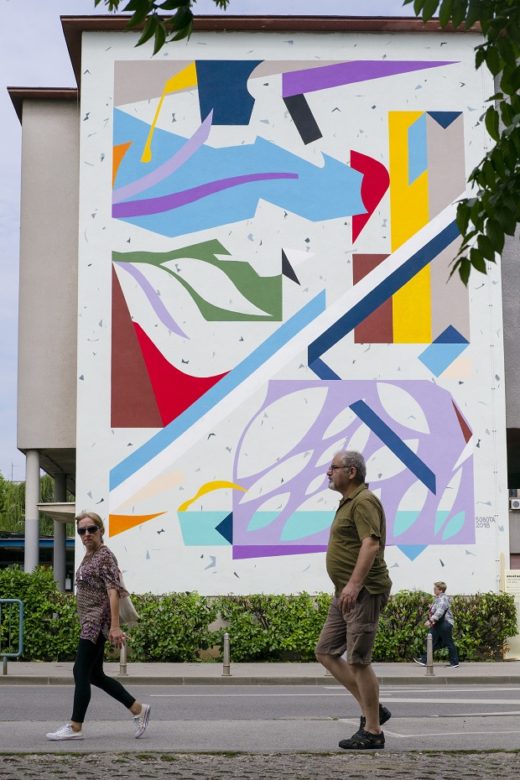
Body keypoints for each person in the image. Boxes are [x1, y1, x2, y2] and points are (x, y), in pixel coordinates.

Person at [46, 511, 151, 741]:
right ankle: (138, 709)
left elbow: (113, 591)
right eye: (81, 530)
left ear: (101, 530)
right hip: (88, 620)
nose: (86, 534)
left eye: (91, 529)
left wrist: (115, 626)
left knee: (80, 671)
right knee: (95, 675)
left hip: (96, 622)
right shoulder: (89, 556)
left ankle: (75, 727)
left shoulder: (104, 556)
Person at [316, 450, 392, 750]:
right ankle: (373, 708)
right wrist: (345, 587)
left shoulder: (364, 501)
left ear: (351, 472)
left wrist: (354, 584)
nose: (328, 472)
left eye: (333, 467)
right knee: (325, 651)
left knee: (359, 660)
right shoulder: (349, 502)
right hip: (345, 593)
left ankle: (373, 731)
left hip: (363, 591)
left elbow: (370, 544)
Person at [414, 581, 459, 669]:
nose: (433, 589)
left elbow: (439, 612)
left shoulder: (443, 599)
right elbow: (436, 610)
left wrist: (431, 620)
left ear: (441, 590)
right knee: (431, 641)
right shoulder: (438, 598)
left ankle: (454, 662)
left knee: (447, 643)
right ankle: (424, 660)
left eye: (435, 588)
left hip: (444, 624)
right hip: (439, 623)